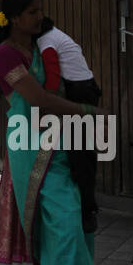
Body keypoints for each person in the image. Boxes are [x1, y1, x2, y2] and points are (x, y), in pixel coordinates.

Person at [0, 0, 119, 265]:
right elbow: (39, 100)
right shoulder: (5, 54)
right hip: (33, 150)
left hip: (64, 144)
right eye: (31, 12)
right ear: (12, 18)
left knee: (72, 231)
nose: (39, 16)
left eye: (40, 9)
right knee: (63, 233)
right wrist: (91, 115)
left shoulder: (44, 44)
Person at [37, 17, 101, 232]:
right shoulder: (56, 34)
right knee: (83, 150)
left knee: (80, 152)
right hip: (87, 87)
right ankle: (86, 207)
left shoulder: (46, 42)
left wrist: (45, 103)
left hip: (79, 91)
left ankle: (87, 211)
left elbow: (54, 78)